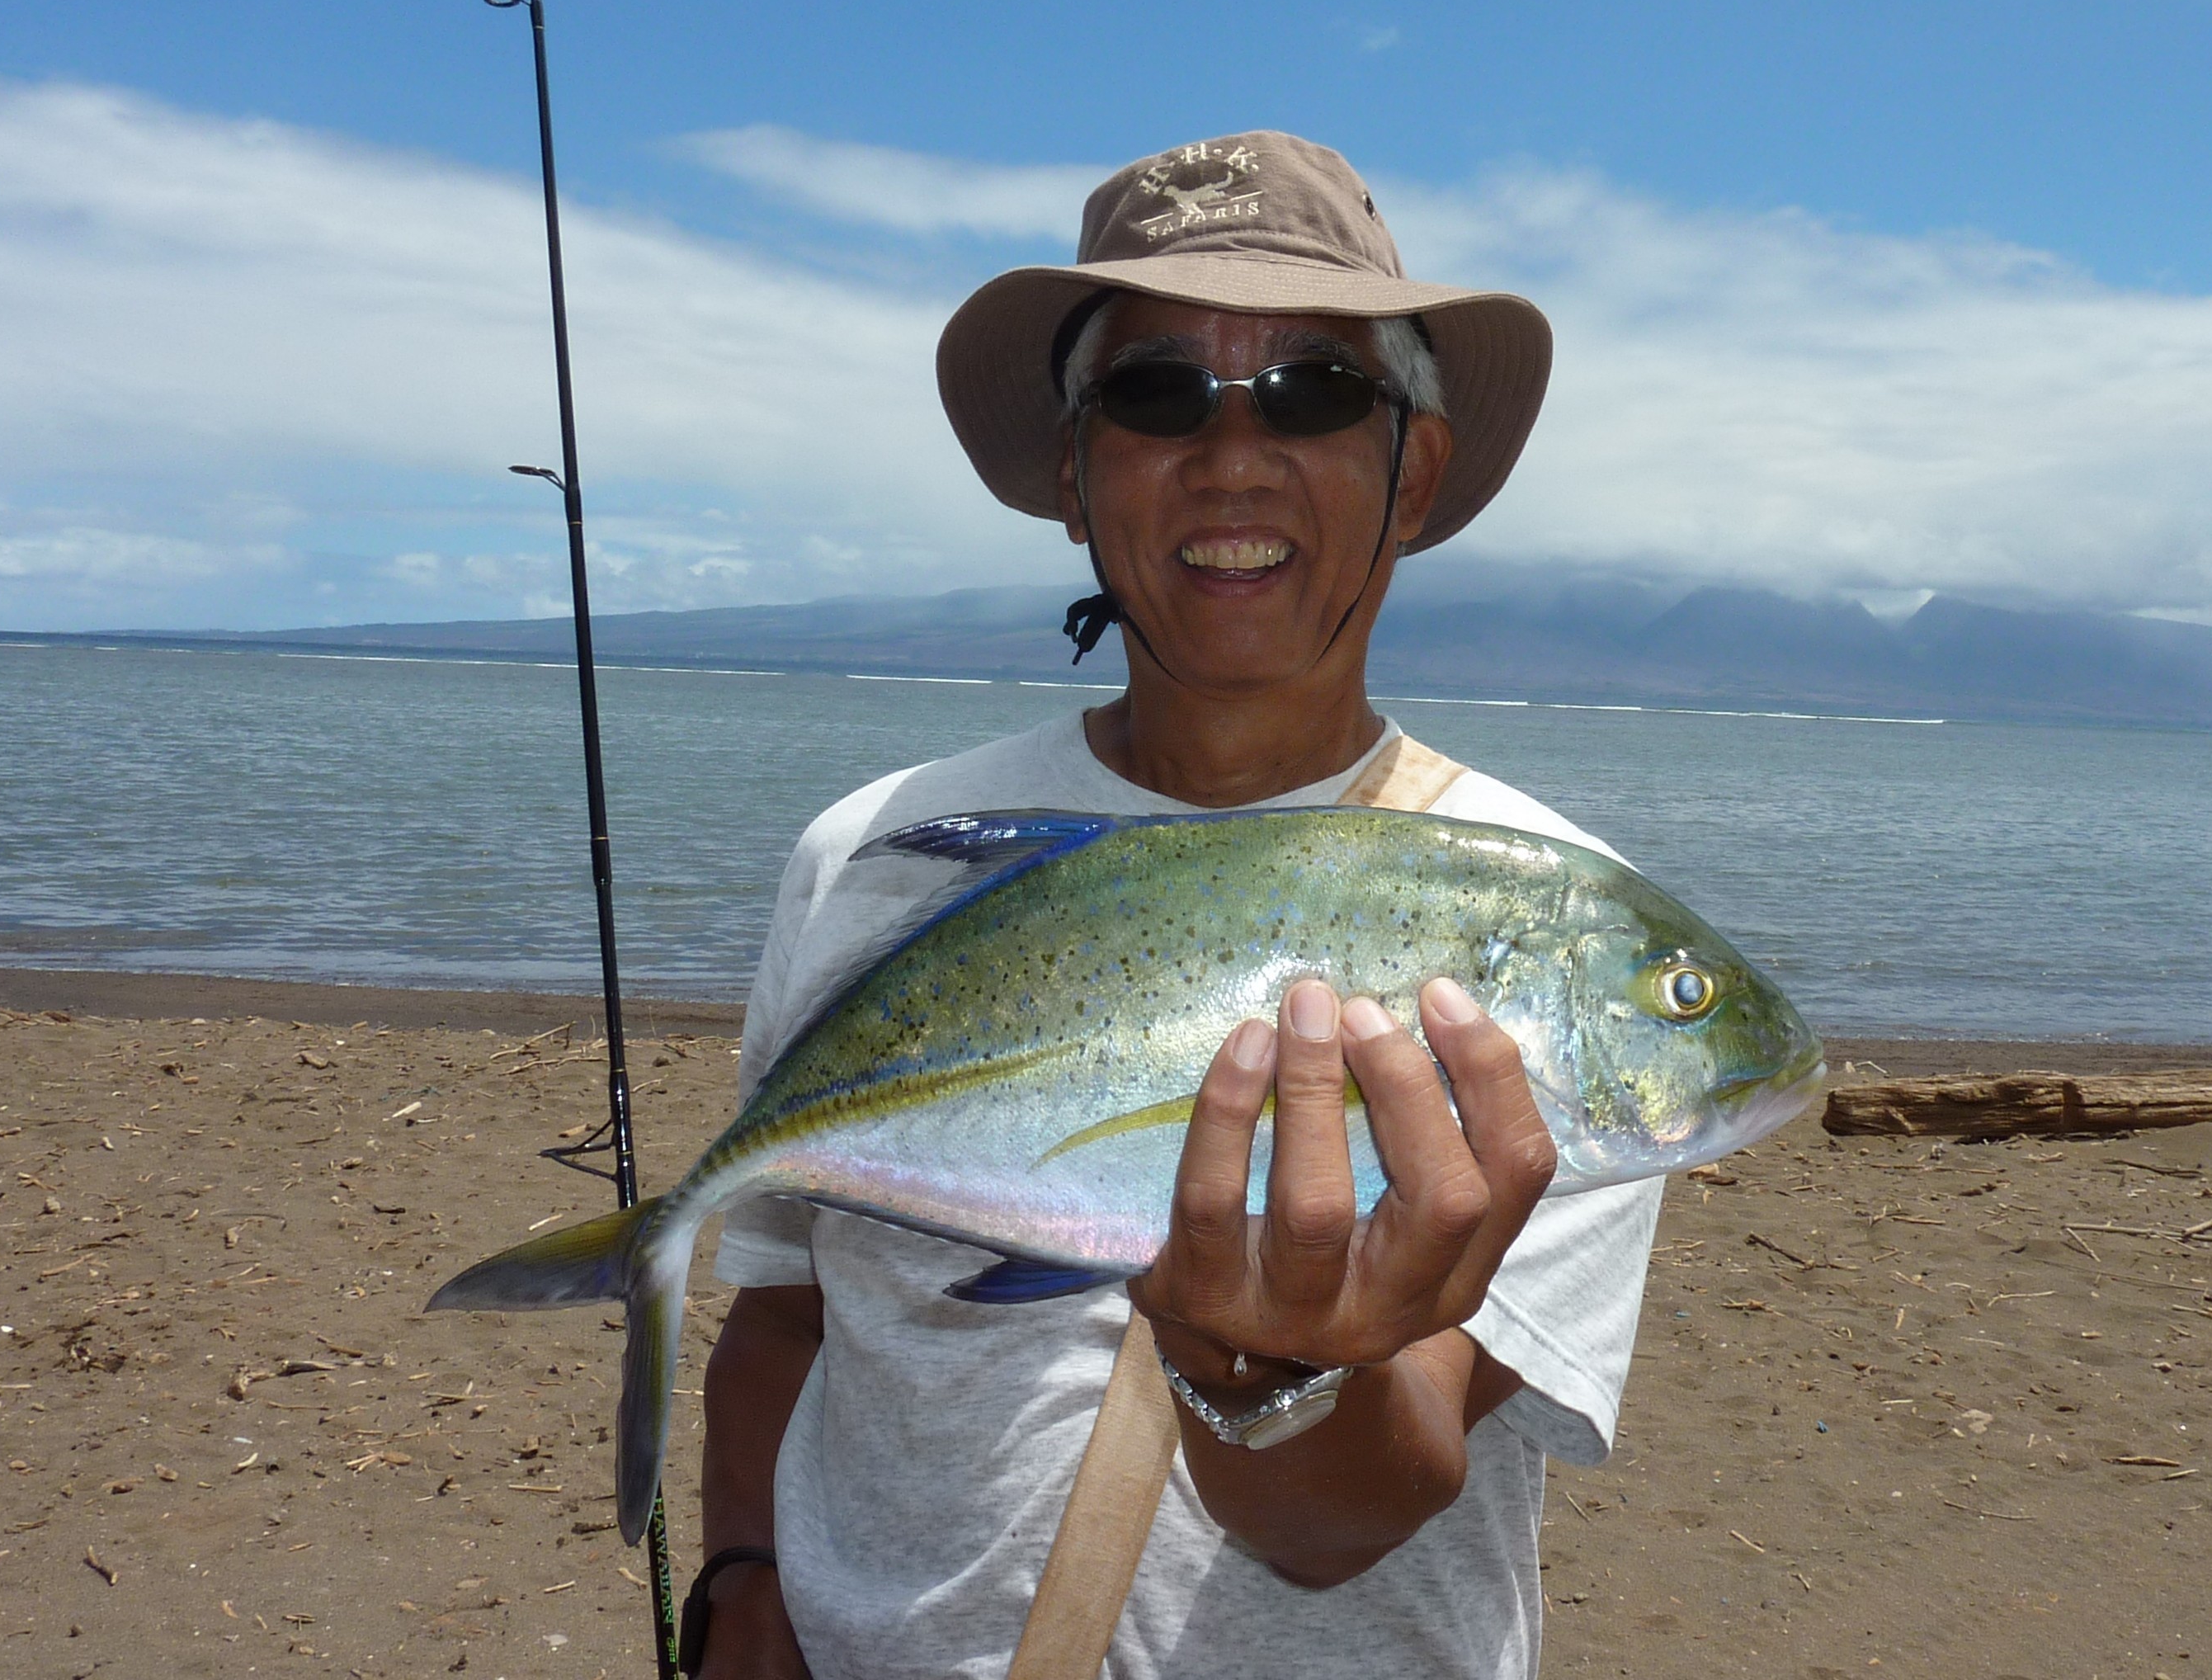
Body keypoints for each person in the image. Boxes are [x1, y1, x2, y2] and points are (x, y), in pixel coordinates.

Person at [691, 133, 1662, 1679]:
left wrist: (1264, 1363)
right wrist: (740, 1580)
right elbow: (791, 1308)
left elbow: (1347, 1520)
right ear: (1075, 476)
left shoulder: (1535, 940)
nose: (1230, 457)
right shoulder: (871, 855)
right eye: (1155, 394)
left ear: (1410, 472)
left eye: (1316, 392)